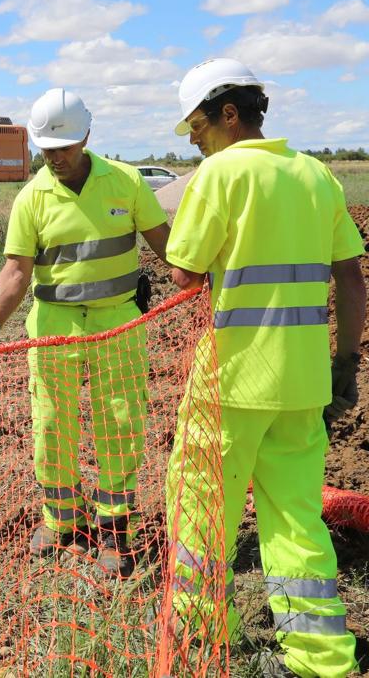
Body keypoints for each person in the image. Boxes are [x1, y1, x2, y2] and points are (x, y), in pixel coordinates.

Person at [163, 58, 364, 677]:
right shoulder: (316, 175)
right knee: (298, 519)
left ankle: (198, 644)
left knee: (201, 514)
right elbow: (352, 278)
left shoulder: (218, 175)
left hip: (228, 384)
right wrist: (347, 363)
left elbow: (183, 274)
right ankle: (320, 659)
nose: (193, 137)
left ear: (228, 114)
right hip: (301, 385)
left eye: (196, 124)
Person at [0, 87, 170, 576]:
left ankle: (115, 530)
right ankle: (62, 519)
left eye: (64, 147)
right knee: (53, 423)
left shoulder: (125, 182)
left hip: (118, 321)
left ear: (86, 137)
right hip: (54, 324)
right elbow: (16, 270)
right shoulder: (32, 197)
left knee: (119, 422)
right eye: (47, 149)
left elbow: (167, 245)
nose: (55, 157)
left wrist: (203, 278)